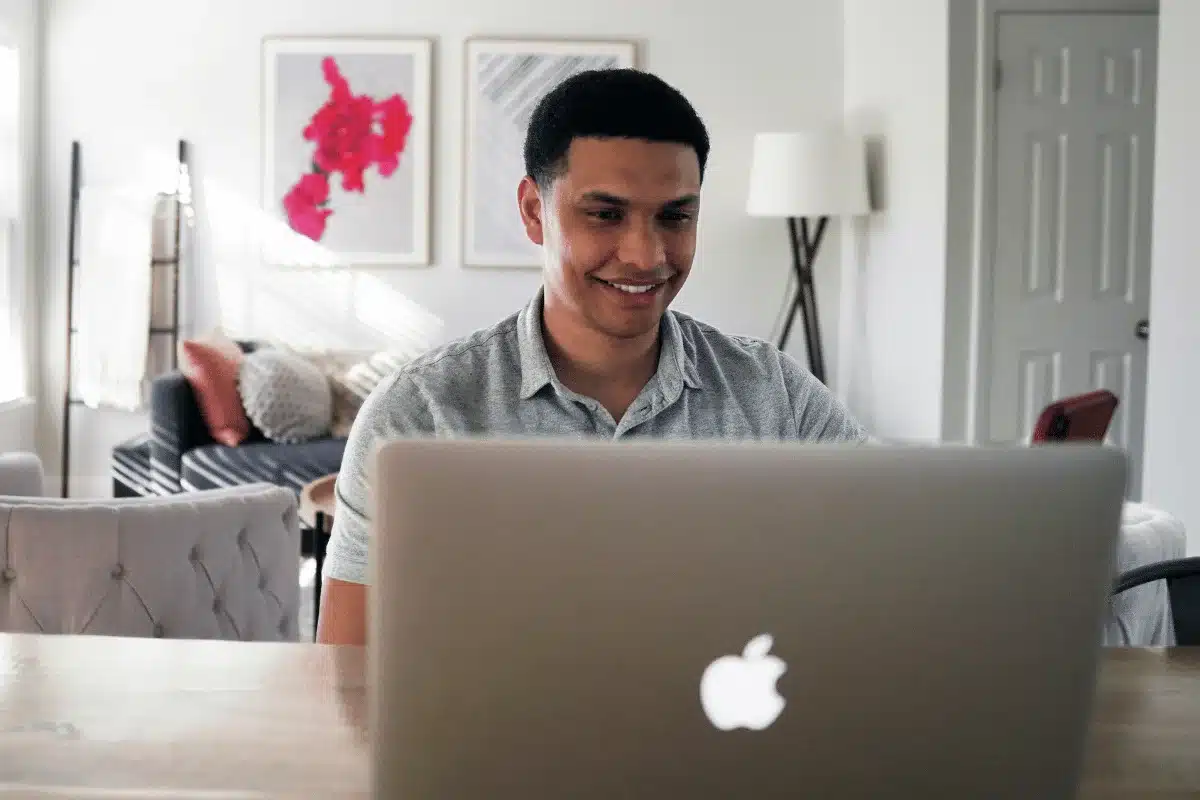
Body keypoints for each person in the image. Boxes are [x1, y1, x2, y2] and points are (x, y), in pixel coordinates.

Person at [316, 68, 869, 645]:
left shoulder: (774, 397)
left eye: (674, 216)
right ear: (534, 211)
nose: (646, 254)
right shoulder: (419, 413)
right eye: (605, 215)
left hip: (729, 727)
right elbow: (343, 675)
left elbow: (888, 569)